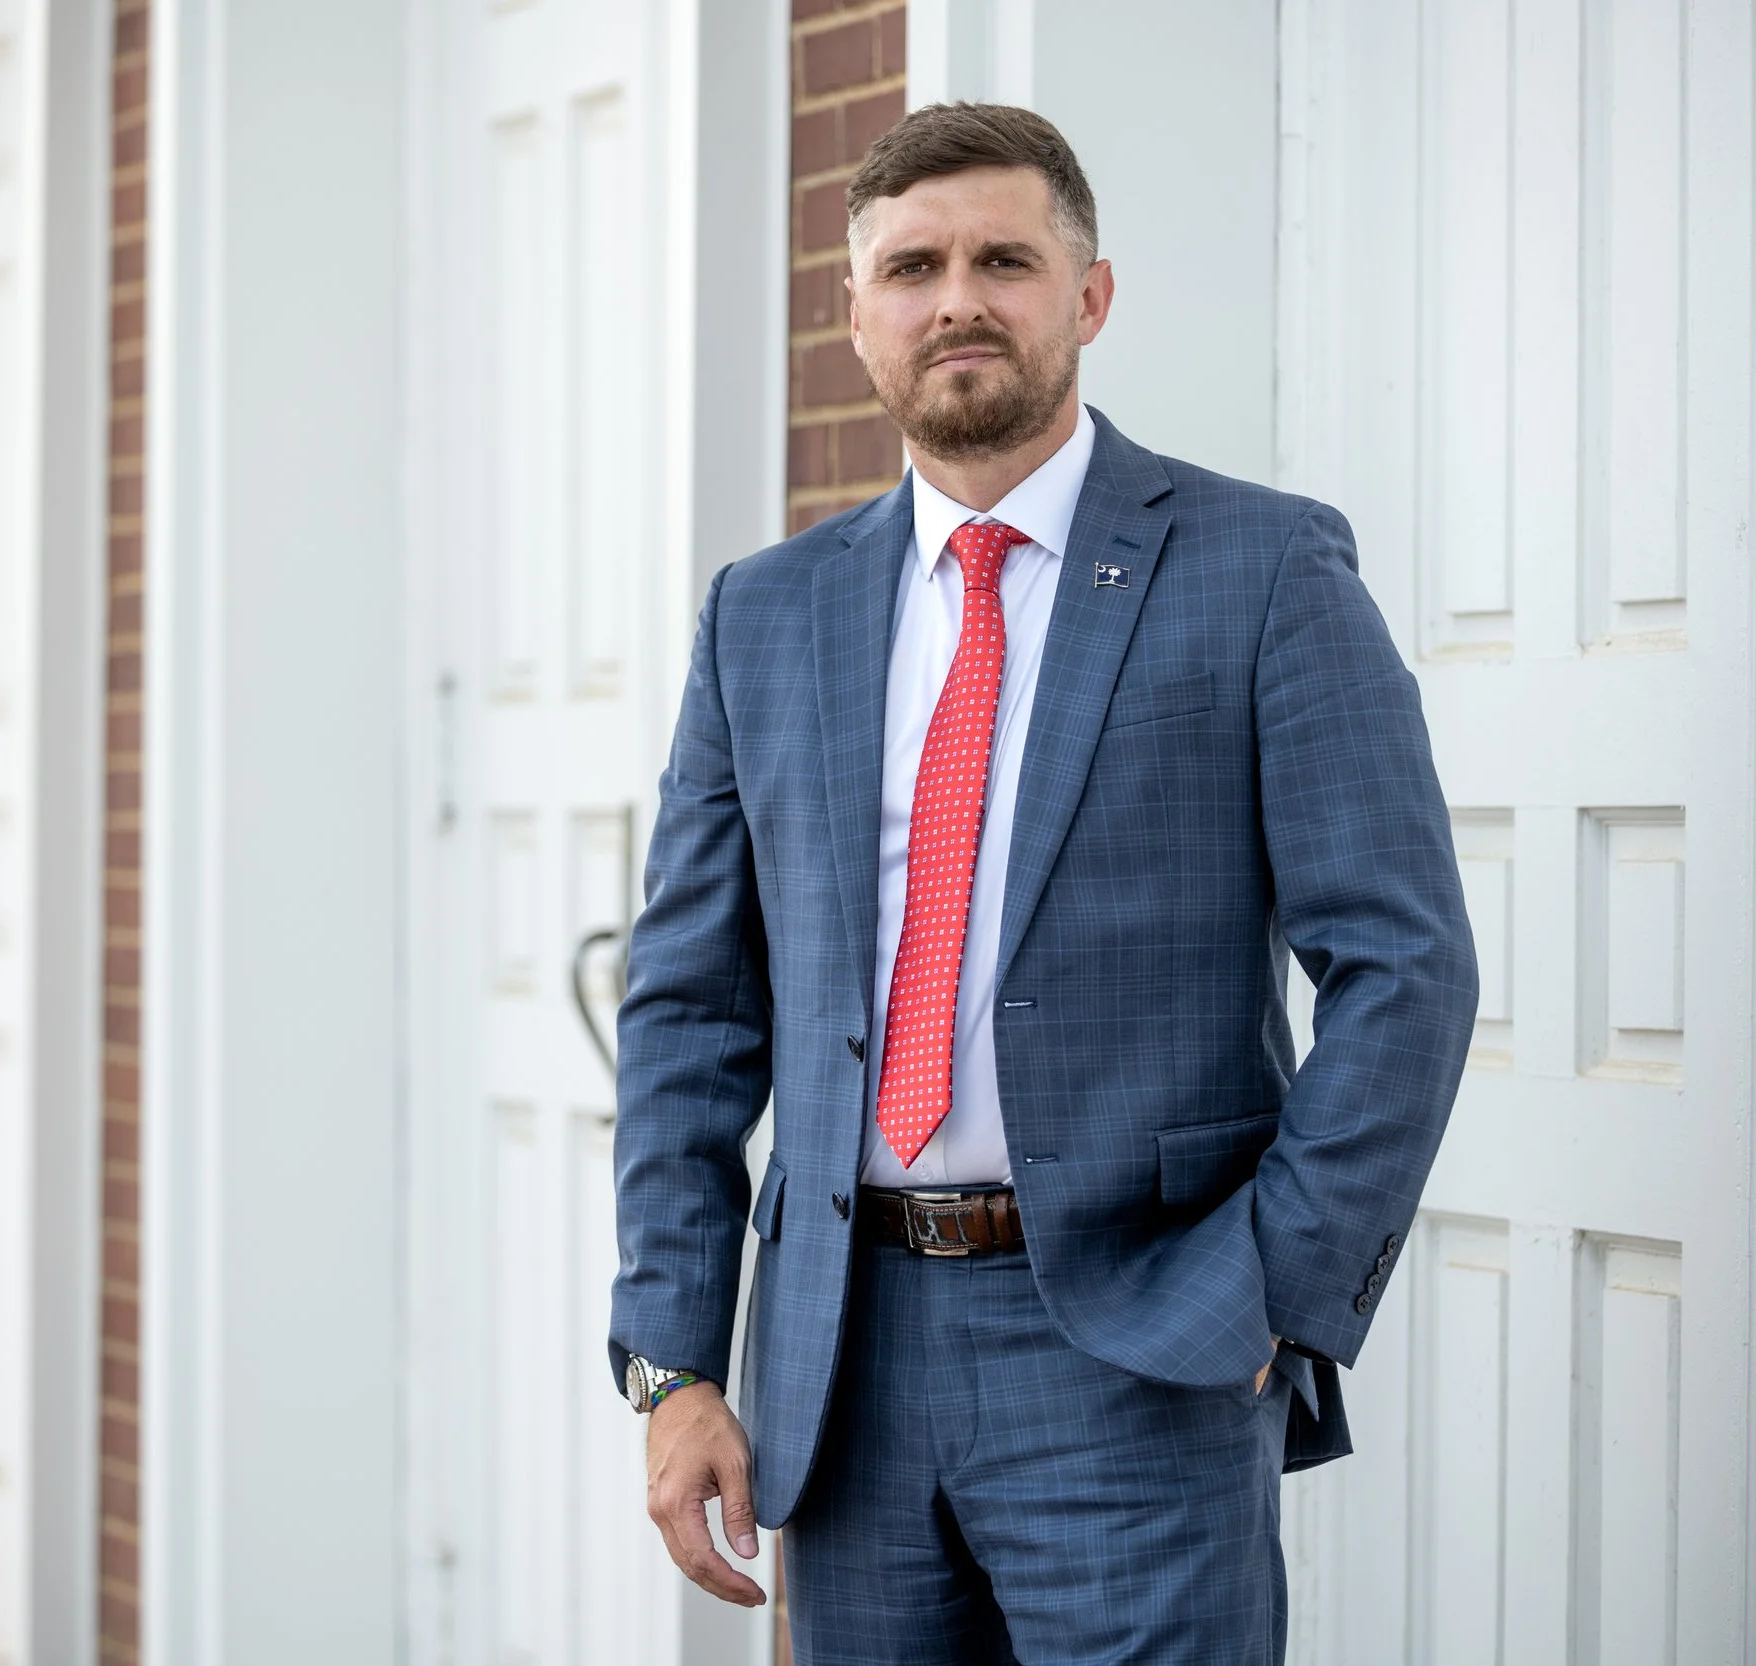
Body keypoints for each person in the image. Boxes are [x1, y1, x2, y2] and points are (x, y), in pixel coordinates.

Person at [607, 102, 1477, 1662]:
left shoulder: (1266, 571)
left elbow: (1407, 966)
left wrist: (1268, 1286)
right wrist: (673, 1364)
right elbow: (688, 1009)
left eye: (1006, 258)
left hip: (1141, 1348)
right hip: (843, 1360)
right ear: (856, 311)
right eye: (914, 266)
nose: (959, 299)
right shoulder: (765, 614)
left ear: (1089, 297)